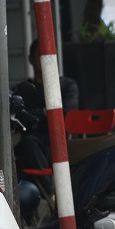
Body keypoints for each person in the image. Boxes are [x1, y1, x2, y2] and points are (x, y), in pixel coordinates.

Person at [13, 38, 80, 169]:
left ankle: (49, 188)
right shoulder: (24, 88)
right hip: (33, 143)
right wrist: (44, 113)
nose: (45, 58)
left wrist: (37, 115)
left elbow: (65, 114)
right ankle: (49, 188)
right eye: (40, 54)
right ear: (30, 59)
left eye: (49, 54)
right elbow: (20, 118)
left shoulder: (67, 85)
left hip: (62, 141)